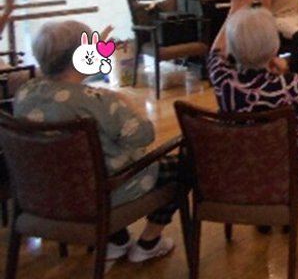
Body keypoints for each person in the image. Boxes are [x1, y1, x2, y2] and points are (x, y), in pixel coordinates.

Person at [13, 20, 178, 263]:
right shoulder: (101, 101)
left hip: (44, 192)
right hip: (99, 195)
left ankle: (117, 240)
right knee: (181, 165)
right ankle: (149, 243)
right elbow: (144, 135)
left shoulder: (24, 93)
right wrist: (129, 103)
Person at [207, 0, 298, 156]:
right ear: (274, 45)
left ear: (233, 47)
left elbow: (215, 52)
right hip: (287, 168)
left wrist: (235, 9)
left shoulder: (224, 80)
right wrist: (282, 73)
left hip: (239, 165)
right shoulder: (292, 84)